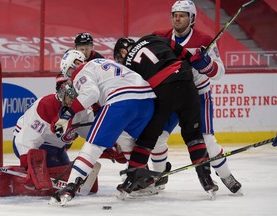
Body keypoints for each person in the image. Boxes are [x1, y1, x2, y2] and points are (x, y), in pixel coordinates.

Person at [152, 0, 241, 194]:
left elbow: (219, 72)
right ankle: (156, 179)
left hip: (198, 95)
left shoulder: (204, 40)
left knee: (207, 139)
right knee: (157, 137)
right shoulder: (162, 37)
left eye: (182, 15)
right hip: (172, 96)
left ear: (192, 19)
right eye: (175, 14)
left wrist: (206, 64)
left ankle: (225, 175)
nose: (177, 18)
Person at [113, 35, 218, 196]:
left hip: (164, 91)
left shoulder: (128, 64)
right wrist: (195, 58)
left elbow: (138, 94)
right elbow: (186, 55)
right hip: (187, 84)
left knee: (147, 139)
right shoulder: (155, 38)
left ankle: (131, 179)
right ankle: (207, 180)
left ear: (122, 51)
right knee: (194, 136)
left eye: (119, 58)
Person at [49, 50, 156, 204]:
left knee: (93, 144)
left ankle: (70, 187)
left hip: (121, 100)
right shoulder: (103, 63)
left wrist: (67, 114)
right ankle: (143, 178)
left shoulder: (81, 70)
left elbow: (91, 94)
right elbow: (99, 105)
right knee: (125, 137)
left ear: (75, 64)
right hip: (147, 100)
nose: (72, 78)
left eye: (69, 72)